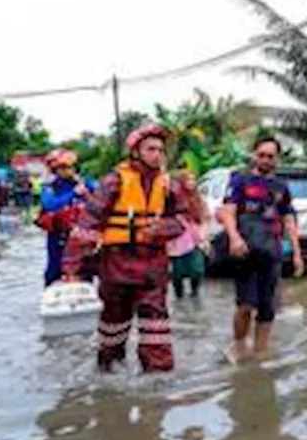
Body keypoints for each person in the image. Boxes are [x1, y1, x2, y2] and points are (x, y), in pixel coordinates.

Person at [63, 124, 203, 373]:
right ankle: (108, 371)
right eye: (151, 149)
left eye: (161, 150)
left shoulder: (169, 185)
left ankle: (157, 383)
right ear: (136, 151)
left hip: (153, 266)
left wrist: (163, 228)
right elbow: (88, 224)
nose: (157, 154)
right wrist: (71, 270)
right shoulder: (113, 182)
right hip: (117, 264)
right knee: (113, 325)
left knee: (156, 328)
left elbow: (183, 219)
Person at [217, 135, 303, 358]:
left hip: (271, 252)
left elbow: (289, 220)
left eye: (270, 156)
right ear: (254, 155)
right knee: (245, 305)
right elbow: (228, 211)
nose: (265, 160)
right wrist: (234, 237)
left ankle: (261, 353)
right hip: (244, 251)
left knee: (267, 309)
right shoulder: (239, 180)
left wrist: (296, 253)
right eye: (261, 155)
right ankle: (238, 345)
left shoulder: (281, 187)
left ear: (277, 159)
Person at [38, 150, 96, 286]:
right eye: (62, 168)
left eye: (70, 167)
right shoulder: (50, 187)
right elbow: (50, 204)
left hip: (82, 236)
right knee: (54, 268)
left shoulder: (87, 184)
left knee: (84, 269)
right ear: (55, 170)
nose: (68, 171)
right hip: (58, 236)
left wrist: (86, 193)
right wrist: (73, 194)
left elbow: (99, 202)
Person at [167, 201, 209, 299]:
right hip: (176, 246)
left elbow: (203, 223)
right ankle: (179, 294)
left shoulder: (196, 211)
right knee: (177, 273)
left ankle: (194, 291)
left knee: (197, 270)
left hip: (194, 244)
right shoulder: (174, 216)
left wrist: (203, 239)